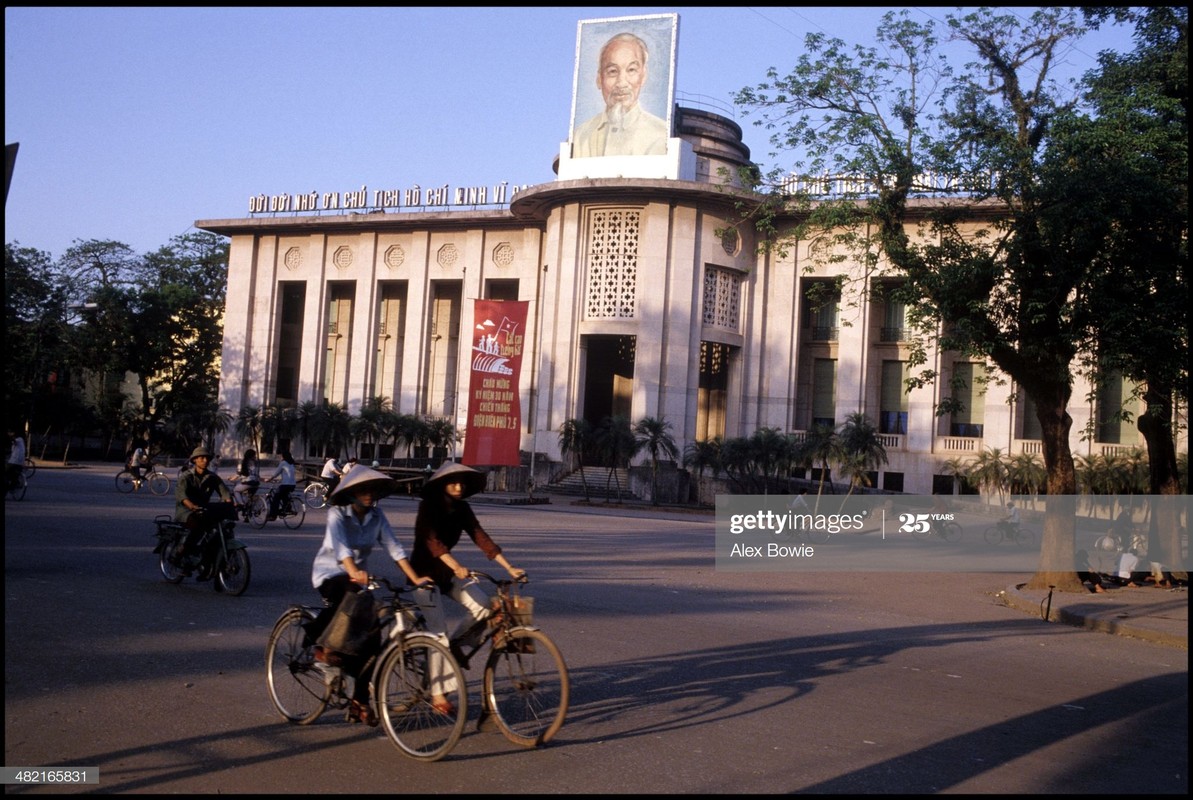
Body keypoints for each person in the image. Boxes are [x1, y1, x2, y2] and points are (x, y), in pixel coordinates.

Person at [304, 466, 434, 725]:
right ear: (351, 492)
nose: (368, 494)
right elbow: (341, 549)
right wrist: (353, 571)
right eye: (362, 489)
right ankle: (318, 645)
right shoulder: (337, 514)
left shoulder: (377, 516)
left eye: (371, 490)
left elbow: (394, 548)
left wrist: (416, 578)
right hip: (330, 574)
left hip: (357, 580)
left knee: (371, 638)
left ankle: (359, 702)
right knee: (347, 597)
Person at [411, 462, 525, 671]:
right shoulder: (428, 506)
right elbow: (433, 543)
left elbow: (480, 536)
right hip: (423, 575)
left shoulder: (462, 508)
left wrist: (509, 567)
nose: (459, 487)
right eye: (453, 483)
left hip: (446, 573)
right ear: (443, 485)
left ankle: (455, 645)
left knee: (483, 605)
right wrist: (456, 566)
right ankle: (438, 693)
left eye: (461, 484)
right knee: (439, 634)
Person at [573, 31, 670, 158]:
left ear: (643, 76)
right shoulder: (580, 136)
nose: (621, 83)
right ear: (599, 79)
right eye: (612, 71)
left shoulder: (661, 134)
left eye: (631, 70)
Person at [174, 445, 236, 572]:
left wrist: (230, 502)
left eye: (207, 458)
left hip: (204, 509)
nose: (205, 461)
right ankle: (181, 553)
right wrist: (192, 506)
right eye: (201, 458)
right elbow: (182, 495)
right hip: (186, 511)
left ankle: (207, 560)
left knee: (217, 530)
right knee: (196, 527)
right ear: (194, 460)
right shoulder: (186, 477)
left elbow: (224, 492)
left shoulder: (212, 477)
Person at [263, 449, 297, 520]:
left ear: (283, 456)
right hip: (292, 484)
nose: (280, 457)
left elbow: (276, 473)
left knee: (276, 497)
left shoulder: (283, 463)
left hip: (285, 484)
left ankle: (273, 515)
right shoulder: (292, 463)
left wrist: (269, 479)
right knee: (284, 495)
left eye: (281, 456)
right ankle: (287, 508)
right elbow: (289, 474)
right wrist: (281, 480)